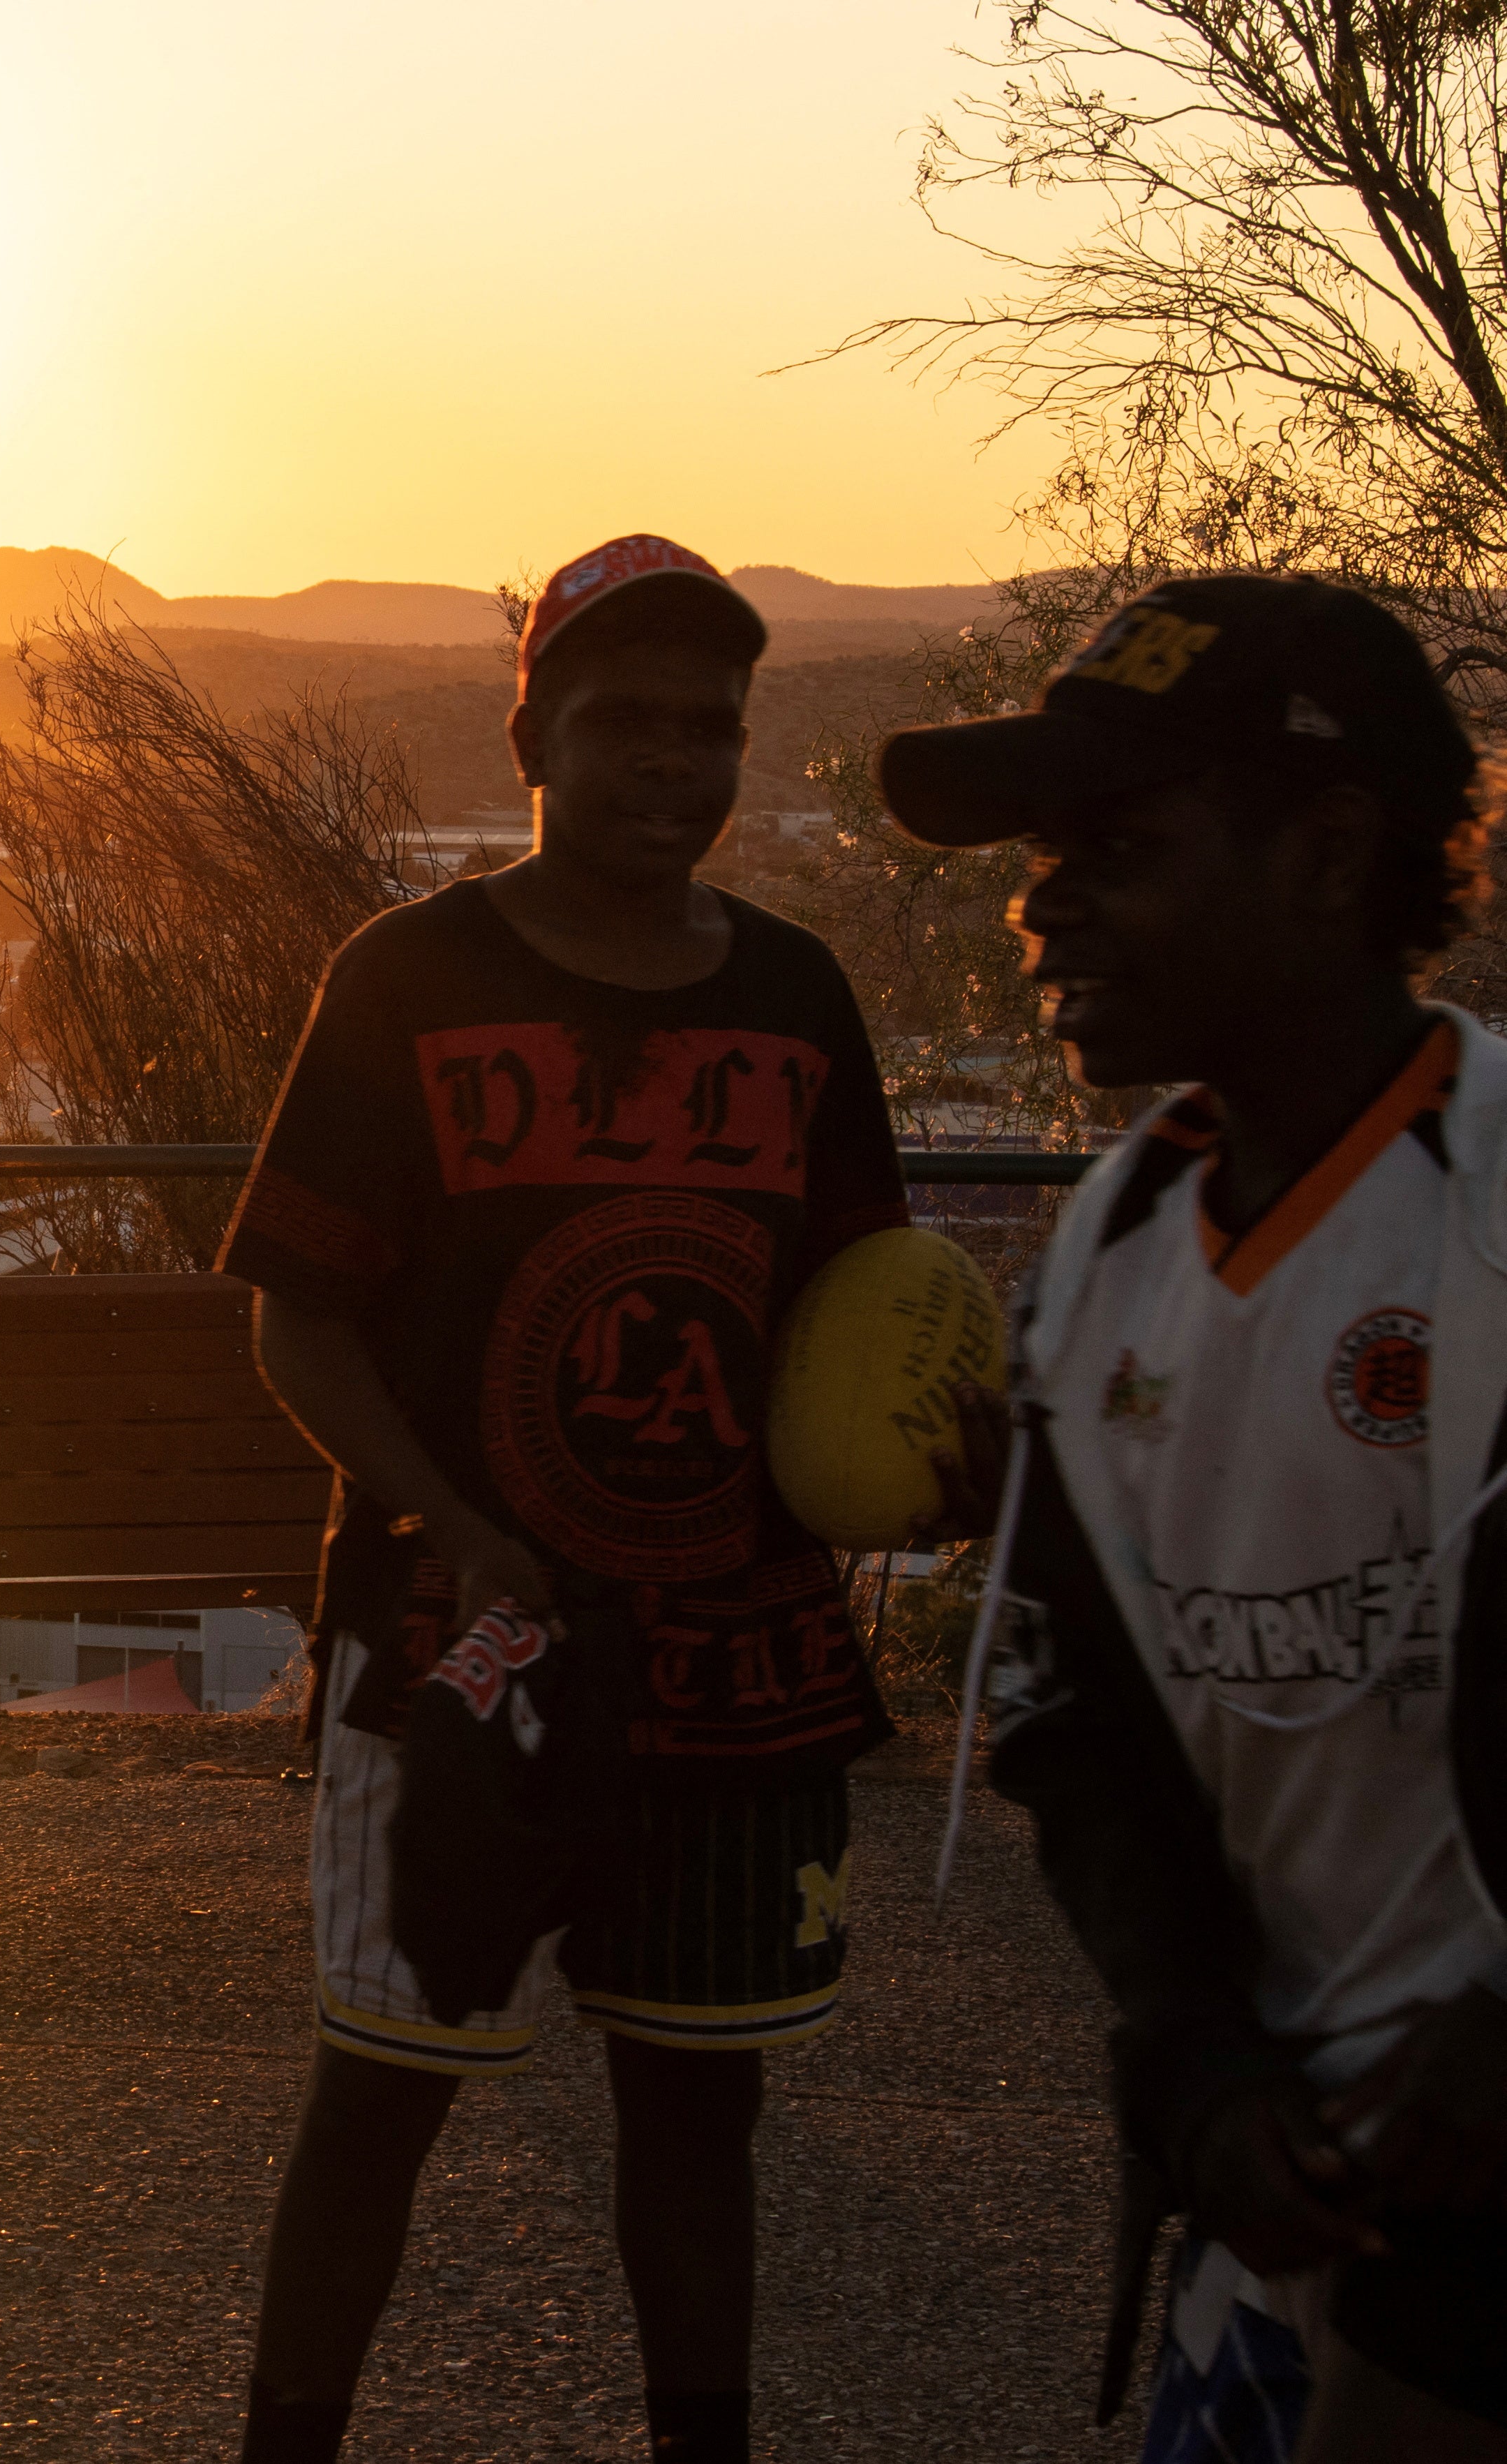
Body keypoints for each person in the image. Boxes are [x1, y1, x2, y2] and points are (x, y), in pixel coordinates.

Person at [217, 535, 910, 2464]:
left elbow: (860, 1311)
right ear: (530, 728)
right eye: (623, 722)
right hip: (465, 1646)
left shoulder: (796, 993)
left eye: (711, 728)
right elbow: (302, 1324)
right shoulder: (403, 980)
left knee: (700, 2112)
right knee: (384, 2087)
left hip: (732, 1648)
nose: (671, 764)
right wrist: (455, 1522)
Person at [880, 574, 1507, 2463]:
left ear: (1324, 851)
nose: (1033, 900)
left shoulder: (1485, 1218)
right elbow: (1086, 1741)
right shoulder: (1103, 1259)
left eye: (1114, 846)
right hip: (1285, 2178)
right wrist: (1191, 2054)